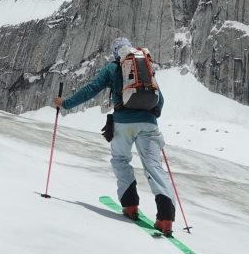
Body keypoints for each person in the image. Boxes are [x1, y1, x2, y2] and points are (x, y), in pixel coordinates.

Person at [54, 36, 177, 236]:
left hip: (123, 123)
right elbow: (159, 100)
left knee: (121, 159)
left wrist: (65, 103)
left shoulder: (113, 67)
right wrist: (150, 115)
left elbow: (90, 89)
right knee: (154, 167)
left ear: (115, 53)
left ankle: (130, 206)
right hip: (148, 123)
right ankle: (165, 219)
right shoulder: (144, 65)